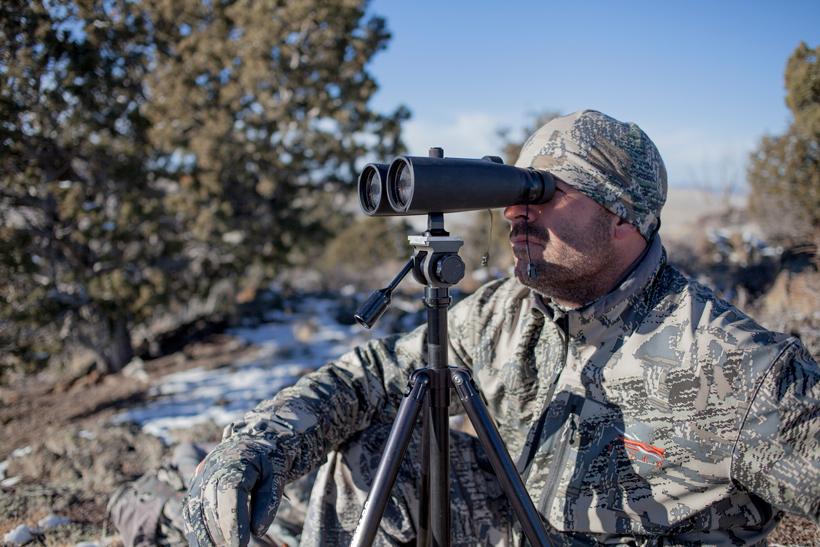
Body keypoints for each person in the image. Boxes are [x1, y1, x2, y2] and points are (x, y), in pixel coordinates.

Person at [181, 110, 819, 546]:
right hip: (515, 523)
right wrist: (254, 447)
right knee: (376, 457)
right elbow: (370, 376)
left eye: (544, 191)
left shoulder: (740, 367)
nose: (515, 208)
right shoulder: (506, 311)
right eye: (514, 188)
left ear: (623, 216)